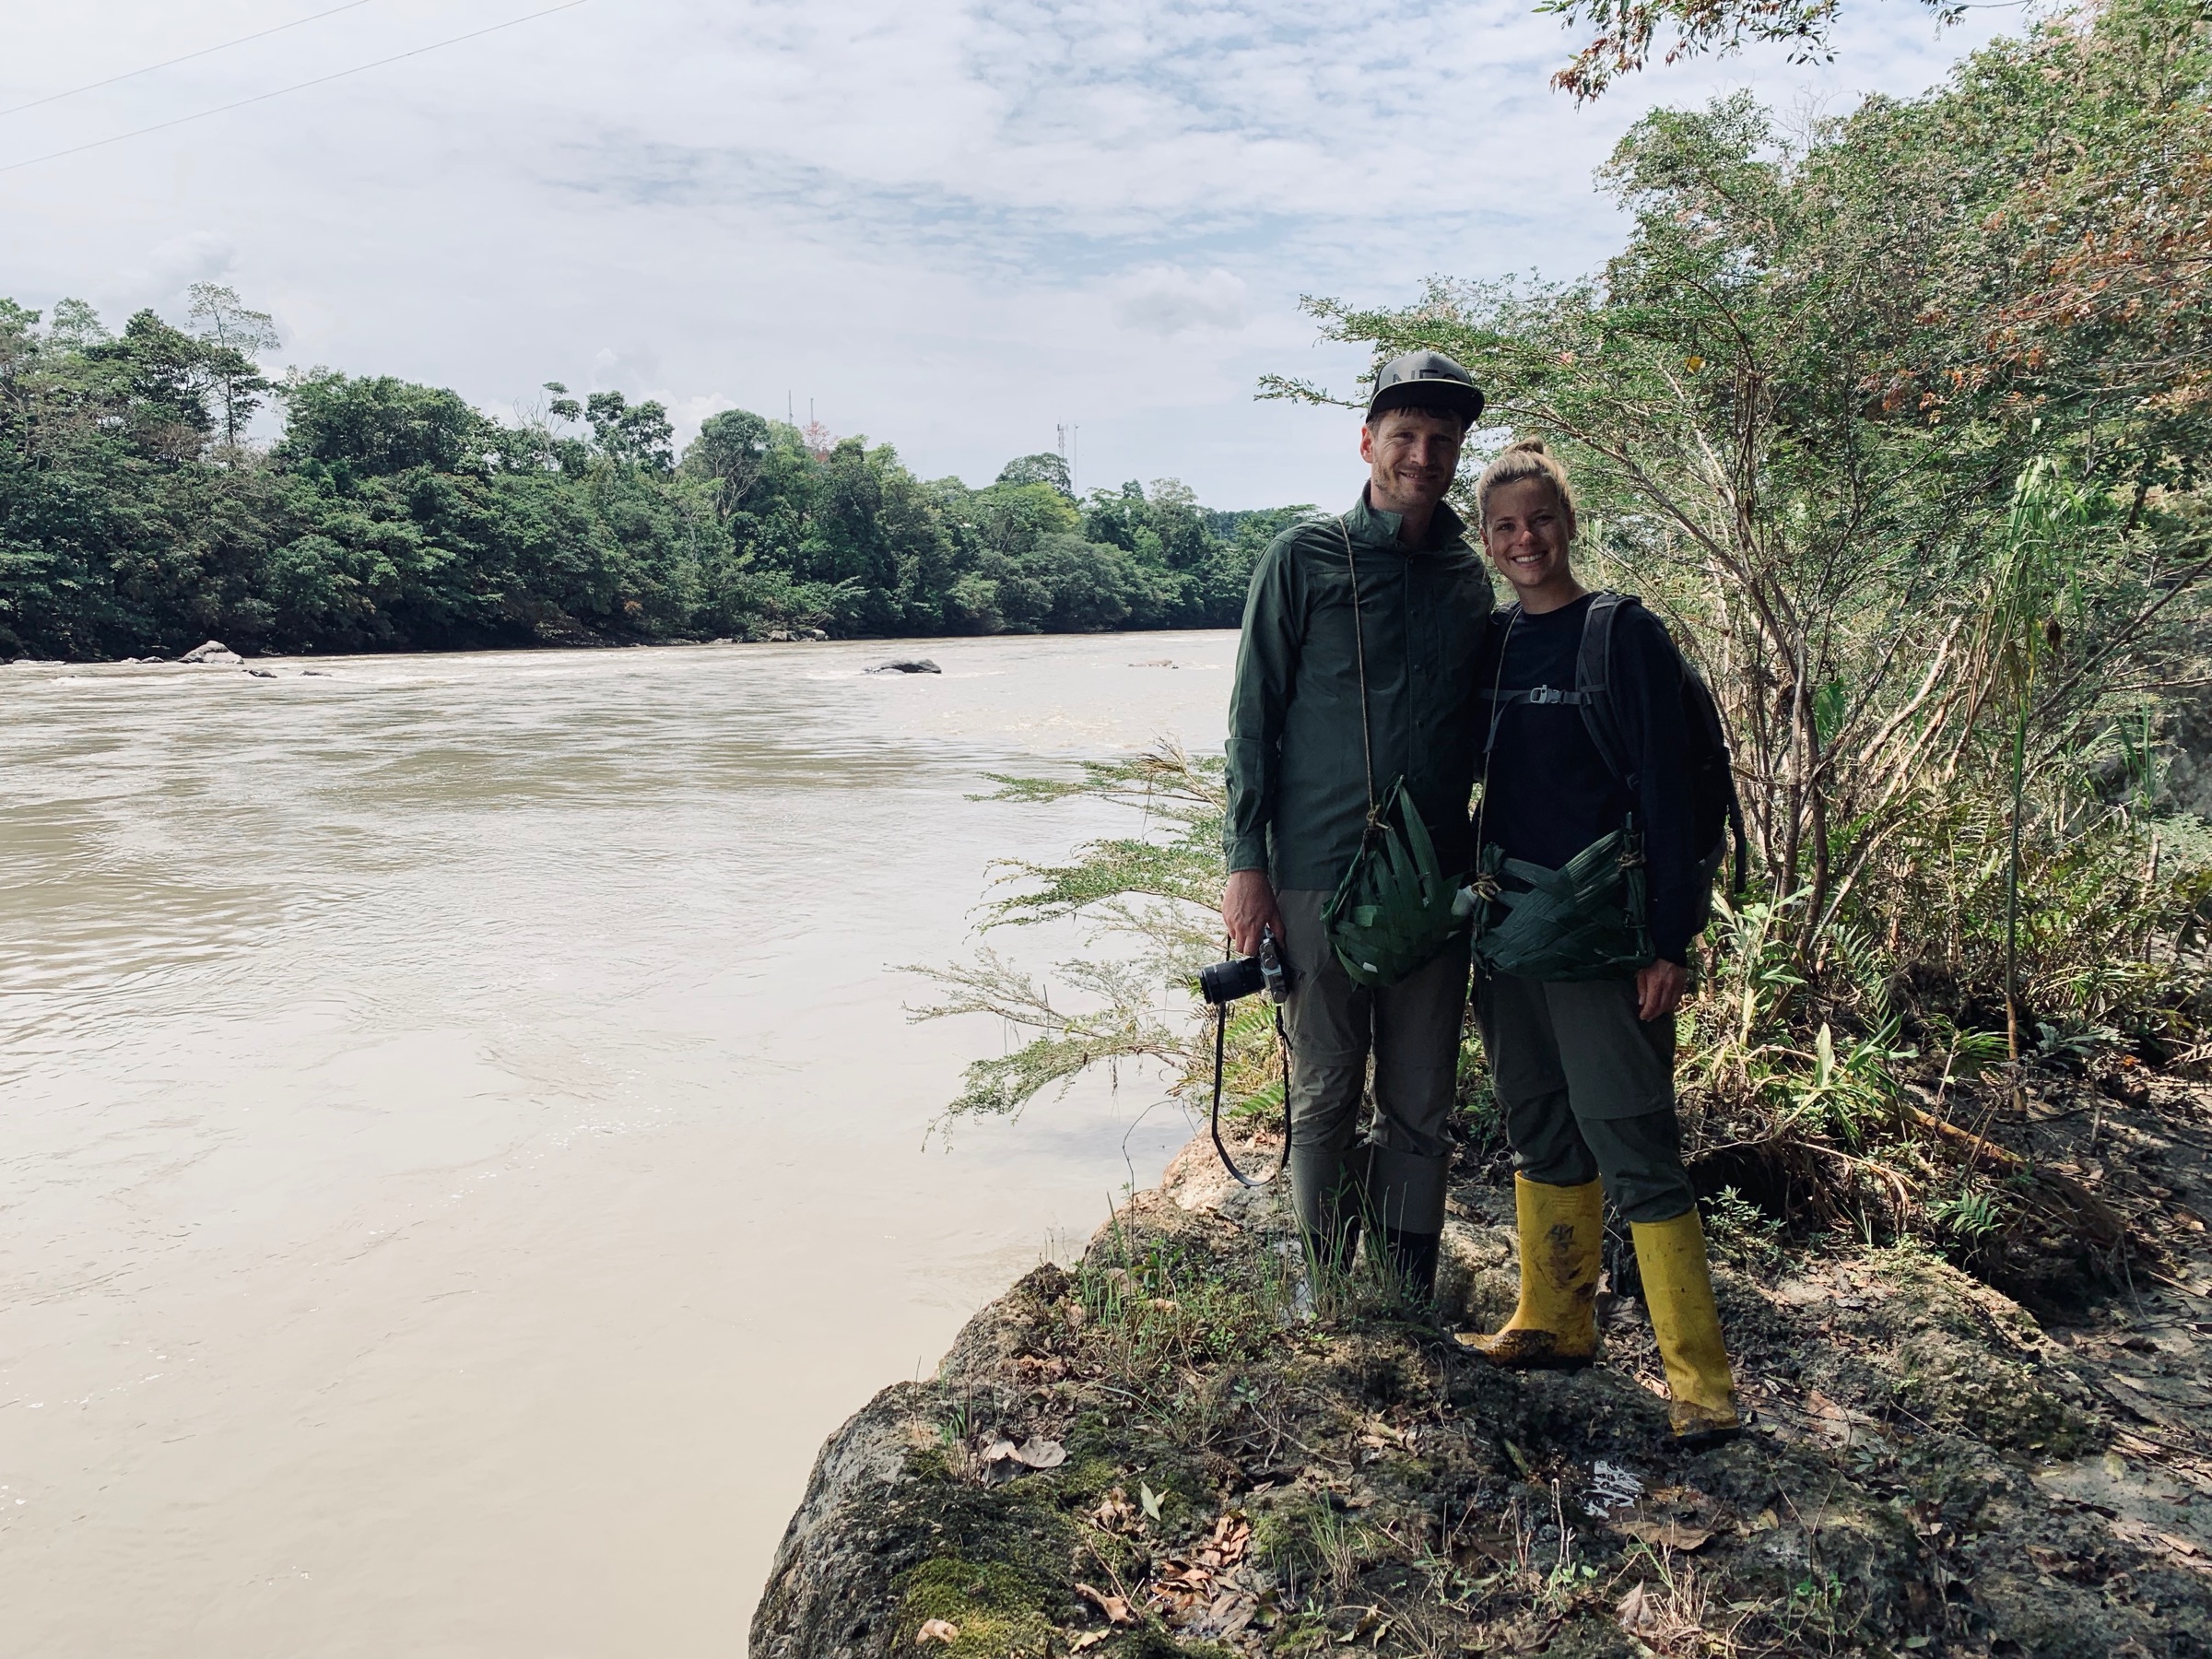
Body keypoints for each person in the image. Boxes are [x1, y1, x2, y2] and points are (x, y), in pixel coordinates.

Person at [1455, 438, 1742, 1442]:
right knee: (1539, 1129)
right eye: (1504, 526)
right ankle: (1553, 1320)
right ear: (1486, 543)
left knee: (1636, 1144)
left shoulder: (1624, 635)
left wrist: (1670, 940)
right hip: (1510, 934)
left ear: (1568, 524)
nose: (1524, 538)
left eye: (1538, 519)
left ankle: (1699, 1383)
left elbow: (1674, 790)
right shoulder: (1490, 643)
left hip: (1606, 941)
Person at [1222, 350, 1494, 1298]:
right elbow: (1253, 717)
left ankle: (1407, 1281)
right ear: (1368, 441)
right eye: (1407, 436)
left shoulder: (1470, 577)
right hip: (1314, 869)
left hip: (1433, 879)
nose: (1424, 455)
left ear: (1460, 453)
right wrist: (1245, 865)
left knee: (1421, 1094)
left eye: (1443, 440)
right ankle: (1327, 1283)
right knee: (1326, 1089)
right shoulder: (1301, 560)